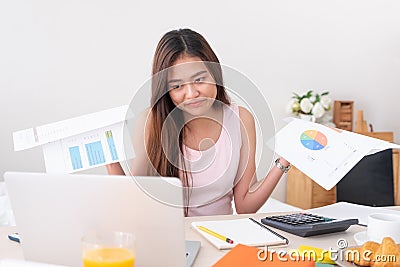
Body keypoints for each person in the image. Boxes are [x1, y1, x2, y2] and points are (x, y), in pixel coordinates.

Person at [107, 28, 290, 217]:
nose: (192, 94)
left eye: (199, 80)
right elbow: (133, 201)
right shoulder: (151, 121)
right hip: (171, 237)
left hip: (222, 237)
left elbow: (245, 206)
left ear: (214, 75)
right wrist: (111, 162)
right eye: (177, 86)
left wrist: (284, 160)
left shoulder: (241, 119)